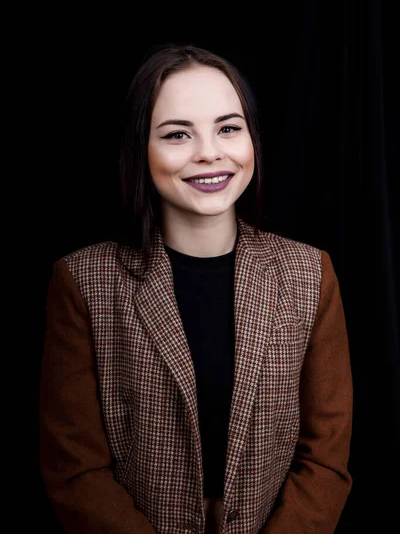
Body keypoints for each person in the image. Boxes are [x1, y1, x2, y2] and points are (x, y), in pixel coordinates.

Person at [39, 43, 353, 534]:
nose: (209, 151)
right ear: (140, 147)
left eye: (229, 127)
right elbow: (76, 473)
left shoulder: (310, 272)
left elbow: (326, 458)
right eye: (177, 134)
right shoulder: (84, 281)